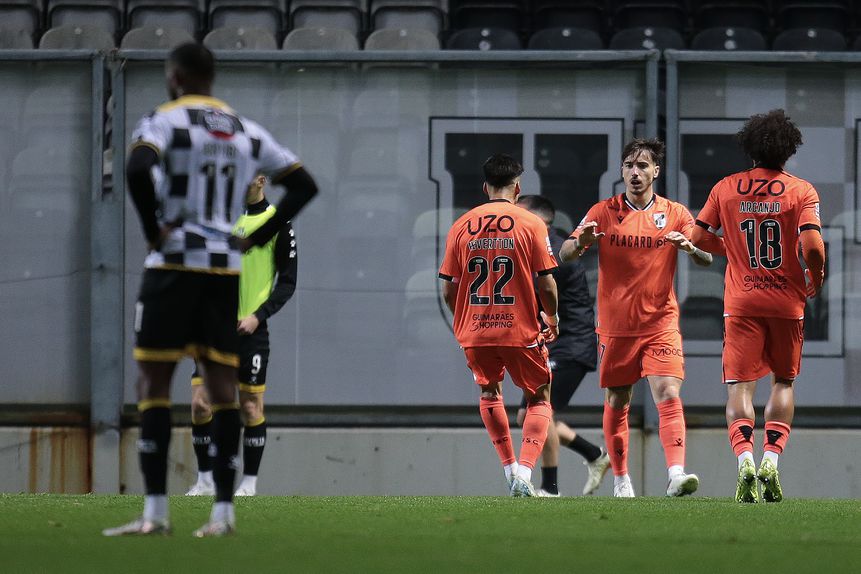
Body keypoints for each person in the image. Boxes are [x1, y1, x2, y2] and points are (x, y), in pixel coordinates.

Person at [104, 43, 317, 537]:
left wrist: (154, 230)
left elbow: (135, 168)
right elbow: (304, 185)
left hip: (174, 264)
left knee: (154, 386)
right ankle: (223, 513)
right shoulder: (246, 130)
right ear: (212, 77)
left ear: (174, 77)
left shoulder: (166, 119)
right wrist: (258, 237)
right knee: (223, 391)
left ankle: (155, 512)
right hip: (224, 272)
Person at [559, 138, 711, 498]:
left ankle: (676, 474)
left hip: (660, 322)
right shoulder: (603, 212)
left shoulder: (675, 212)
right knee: (617, 400)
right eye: (629, 165)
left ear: (656, 171)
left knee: (668, 390)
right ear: (622, 171)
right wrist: (581, 243)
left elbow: (706, 257)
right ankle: (621, 480)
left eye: (642, 166)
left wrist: (691, 248)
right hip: (617, 326)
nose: (635, 172)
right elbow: (565, 254)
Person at [691, 109, 825, 503]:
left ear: (749, 149)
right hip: (786, 301)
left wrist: (732, 248)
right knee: (783, 381)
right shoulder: (802, 190)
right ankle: (771, 458)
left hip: (742, 302)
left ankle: (744, 459)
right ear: (788, 151)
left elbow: (697, 238)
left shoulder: (725, 187)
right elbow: (813, 246)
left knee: (740, 387)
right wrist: (815, 277)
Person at [439, 154, 560, 497]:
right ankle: (525, 470)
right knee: (539, 397)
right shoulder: (531, 223)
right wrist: (552, 317)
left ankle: (509, 469)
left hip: (476, 330)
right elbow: (547, 283)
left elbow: (448, 288)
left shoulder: (461, 225)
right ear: (517, 188)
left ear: (485, 187)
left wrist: (465, 319)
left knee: (490, 392)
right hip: (519, 329)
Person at [186, 174, 298, 498]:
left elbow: (288, 282)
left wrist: (257, 316)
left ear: (261, 180)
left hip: (250, 331)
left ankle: (249, 483)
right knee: (200, 404)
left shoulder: (278, 224)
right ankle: (204, 480)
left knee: (250, 408)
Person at [514, 195, 609, 497]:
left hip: (571, 344)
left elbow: (535, 292)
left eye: (519, 216)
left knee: (538, 412)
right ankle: (594, 454)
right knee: (529, 416)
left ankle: (550, 487)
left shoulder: (552, 249)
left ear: (537, 220)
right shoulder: (538, 246)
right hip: (556, 343)